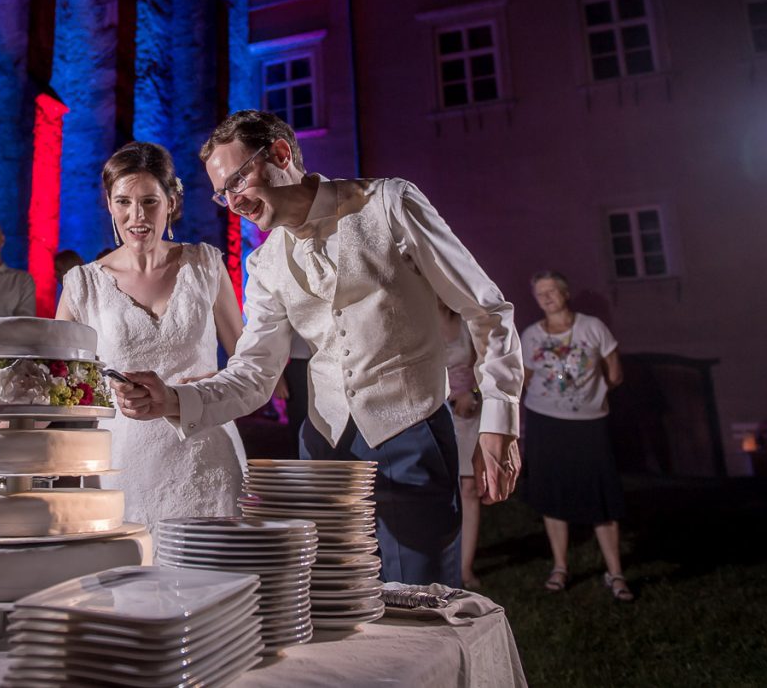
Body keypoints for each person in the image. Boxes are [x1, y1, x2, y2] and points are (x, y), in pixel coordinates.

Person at [111, 109, 524, 587]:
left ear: (280, 153)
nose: (234, 202)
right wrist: (173, 399)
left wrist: (500, 420)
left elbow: (486, 310)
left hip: (411, 430)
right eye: (223, 193)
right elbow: (255, 372)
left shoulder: (389, 203)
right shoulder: (264, 264)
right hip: (324, 449)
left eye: (238, 180)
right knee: (329, 596)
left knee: (420, 594)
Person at [57, 142, 247, 537]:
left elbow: (250, 366)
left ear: (171, 202)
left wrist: (213, 385)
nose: (137, 216)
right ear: (109, 205)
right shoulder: (83, 285)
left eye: (149, 201)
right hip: (126, 465)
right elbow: (51, 386)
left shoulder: (206, 265)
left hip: (208, 458)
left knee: (215, 569)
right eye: (123, 202)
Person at [519, 271, 633, 601]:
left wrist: (590, 396)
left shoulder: (592, 327)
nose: (546, 298)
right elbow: (525, 377)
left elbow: (615, 372)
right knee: (552, 494)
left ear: (565, 293)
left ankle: (615, 573)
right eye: (540, 293)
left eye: (551, 291)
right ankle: (560, 567)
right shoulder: (530, 335)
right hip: (545, 423)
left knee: (601, 495)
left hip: (588, 424)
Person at [440, 300, 484, 588]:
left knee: (469, 488)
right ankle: (440, 563)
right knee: (439, 489)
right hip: (436, 412)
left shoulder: (467, 324)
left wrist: (473, 393)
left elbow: (483, 367)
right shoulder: (417, 319)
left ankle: (465, 568)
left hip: (467, 414)